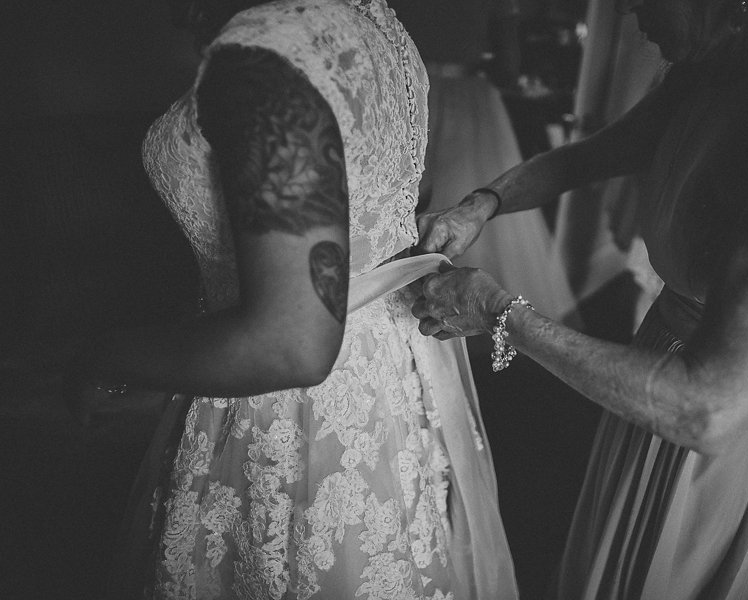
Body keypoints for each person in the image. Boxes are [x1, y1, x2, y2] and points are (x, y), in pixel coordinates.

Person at [411, 0, 748, 597]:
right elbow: (591, 154)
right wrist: (481, 203)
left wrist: (498, 311)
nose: (635, 21)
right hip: (651, 380)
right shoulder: (717, 65)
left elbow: (708, 409)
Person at [72, 0, 518, 598]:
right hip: (385, 370)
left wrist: (102, 356)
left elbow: (292, 345)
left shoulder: (269, 56)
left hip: (289, 401)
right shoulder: (371, 24)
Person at [388, 0, 579, 329]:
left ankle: (403, 296)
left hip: (408, 93)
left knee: (407, 198)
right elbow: (509, 66)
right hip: (466, 96)